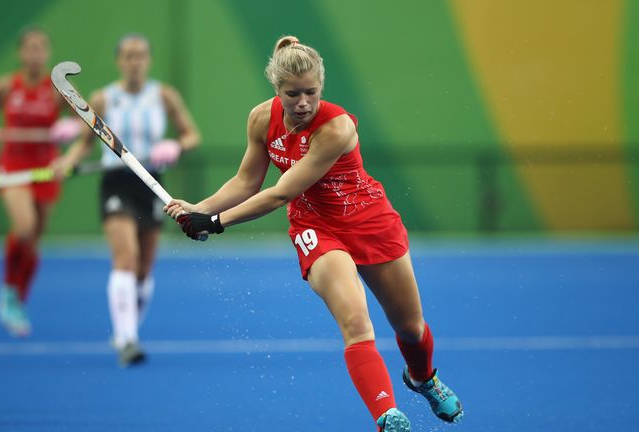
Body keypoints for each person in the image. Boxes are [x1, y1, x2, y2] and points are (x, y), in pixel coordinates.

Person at [166, 36, 463, 430]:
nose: (303, 102)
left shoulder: (336, 128)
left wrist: (216, 223)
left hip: (371, 221)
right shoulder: (260, 119)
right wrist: (199, 208)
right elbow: (246, 181)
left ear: (321, 86)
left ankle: (423, 379)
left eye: (311, 92)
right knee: (356, 323)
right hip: (317, 229)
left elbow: (281, 192)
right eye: (293, 94)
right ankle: (386, 415)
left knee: (410, 327)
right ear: (277, 89)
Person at [57, 34, 200, 367]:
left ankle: (126, 329)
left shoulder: (164, 96)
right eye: (128, 56)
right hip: (116, 183)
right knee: (126, 257)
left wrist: (176, 147)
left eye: (140, 56)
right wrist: (67, 161)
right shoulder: (102, 99)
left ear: (148, 60)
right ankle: (128, 339)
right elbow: (83, 144)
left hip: (152, 183)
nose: (135, 62)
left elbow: (191, 135)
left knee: (144, 267)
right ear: (118, 60)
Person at [0, 27, 78, 336]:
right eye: (29, 49)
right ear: (21, 53)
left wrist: (68, 128)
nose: (35, 55)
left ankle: (19, 299)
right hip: (13, 165)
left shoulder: (58, 89)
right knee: (23, 227)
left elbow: (82, 121)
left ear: (47, 53)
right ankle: (7, 289)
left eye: (40, 49)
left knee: (33, 239)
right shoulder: (5, 86)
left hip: (46, 168)